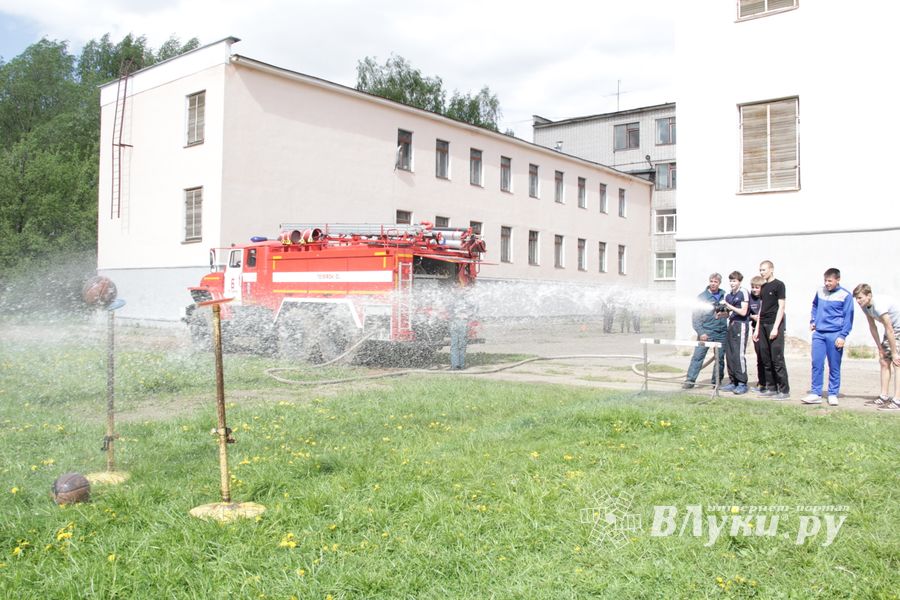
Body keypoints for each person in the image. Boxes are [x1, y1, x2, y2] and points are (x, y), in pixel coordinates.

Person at [802, 268, 854, 406]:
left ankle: (832, 394)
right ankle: (815, 393)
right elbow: (814, 306)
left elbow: (848, 318)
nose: (827, 283)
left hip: (835, 334)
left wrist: (843, 336)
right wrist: (813, 321)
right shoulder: (820, 291)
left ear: (838, 280)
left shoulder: (845, 295)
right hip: (819, 333)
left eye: (830, 281)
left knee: (834, 365)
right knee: (817, 363)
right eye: (825, 280)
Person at [853, 283, 900, 410]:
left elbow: (889, 329)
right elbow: (872, 326)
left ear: (869, 295)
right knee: (884, 361)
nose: (858, 301)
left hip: (896, 329)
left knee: (897, 362)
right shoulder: (864, 306)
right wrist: (879, 348)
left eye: (860, 298)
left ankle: (897, 400)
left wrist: (895, 352)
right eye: (856, 298)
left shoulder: (879, 305)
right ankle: (884, 396)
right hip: (891, 330)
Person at [683, 273, 727, 389]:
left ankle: (716, 382)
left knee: (720, 359)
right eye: (711, 281)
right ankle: (690, 381)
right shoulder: (702, 297)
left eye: (716, 282)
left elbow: (729, 312)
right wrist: (701, 332)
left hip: (721, 332)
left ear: (719, 283)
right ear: (709, 282)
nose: (713, 283)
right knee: (698, 357)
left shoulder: (724, 296)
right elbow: (696, 318)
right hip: (706, 332)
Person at [753, 260, 790, 399]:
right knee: (765, 357)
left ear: (771, 269)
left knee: (777, 358)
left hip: (774, 324)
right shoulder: (763, 286)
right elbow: (761, 307)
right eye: (760, 270)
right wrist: (757, 329)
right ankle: (771, 387)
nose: (762, 272)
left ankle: (784, 390)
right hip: (762, 324)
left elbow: (781, 307)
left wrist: (775, 328)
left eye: (764, 270)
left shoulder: (779, 285)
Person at [720, 271, 750, 395]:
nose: (732, 283)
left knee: (738, 355)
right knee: (730, 355)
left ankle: (742, 383)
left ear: (740, 282)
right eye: (731, 281)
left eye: (735, 281)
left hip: (741, 325)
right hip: (731, 325)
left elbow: (743, 312)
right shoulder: (728, 295)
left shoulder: (743, 293)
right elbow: (728, 313)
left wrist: (727, 305)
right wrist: (720, 313)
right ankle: (733, 382)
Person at [747, 276, 766, 393]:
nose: (754, 290)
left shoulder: (767, 298)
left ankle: (772, 383)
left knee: (767, 358)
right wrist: (751, 316)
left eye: (757, 287)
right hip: (755, 330)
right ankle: (761, 383)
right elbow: (745, 312)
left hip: (766, 330)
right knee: (759, 358)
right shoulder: (750, 298)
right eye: (753, 287)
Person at [449, 285, 475, 369]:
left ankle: (455, 365)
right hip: (463, 322)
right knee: (462, 345)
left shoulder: (452, 300)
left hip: (454, 322)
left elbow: (449, 310)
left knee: (454, 345)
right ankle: (461, 365)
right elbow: (474, 309)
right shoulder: (468, 301)